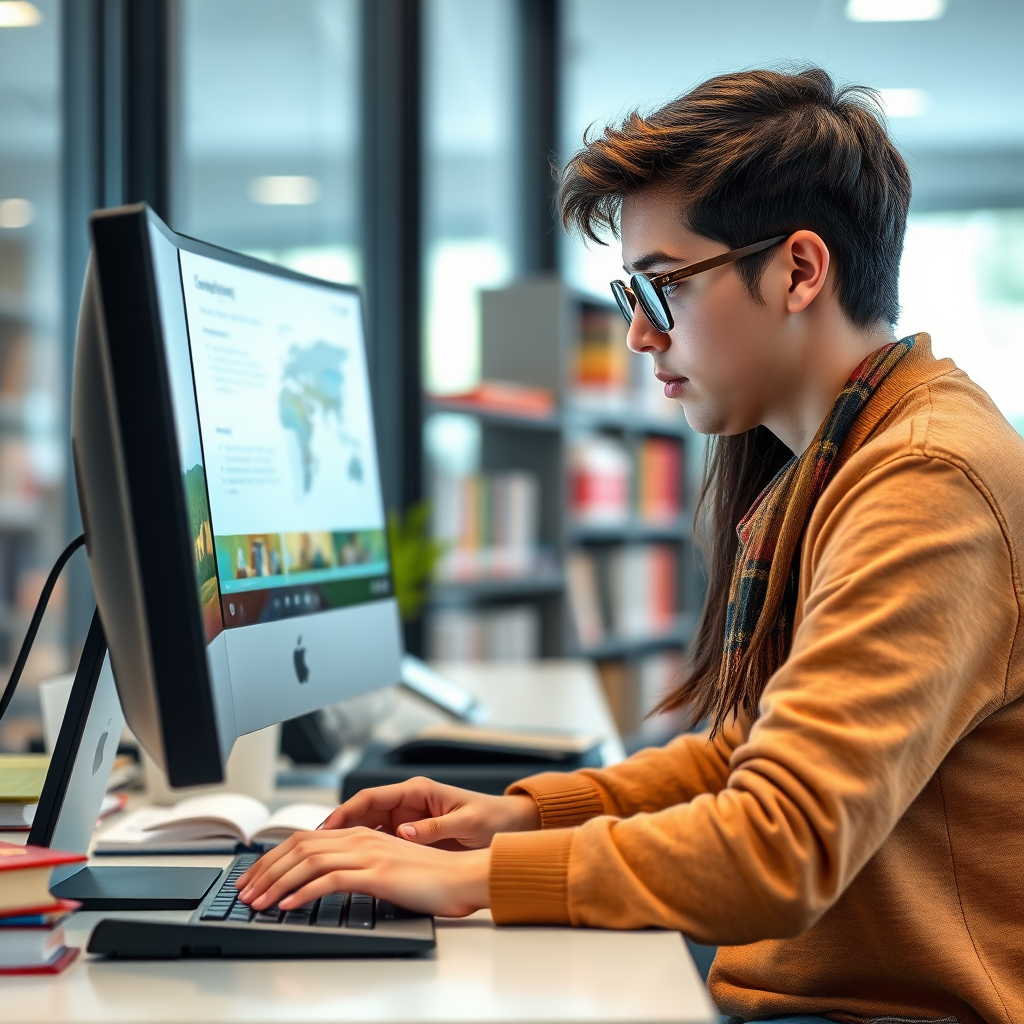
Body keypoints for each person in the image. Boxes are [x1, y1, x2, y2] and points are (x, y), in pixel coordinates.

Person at [236, 69, 1023, 1024]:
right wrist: (516, 816)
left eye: (663, 286)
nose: (641, 336)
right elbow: (743, 756)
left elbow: (779, 841)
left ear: (798, 271)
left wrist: (480, 879)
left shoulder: (924, 482)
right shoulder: (842, 458)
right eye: (628, 293)